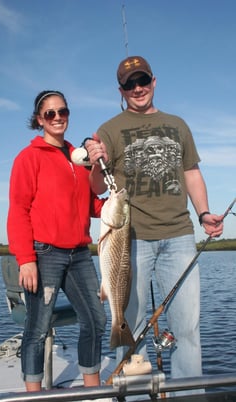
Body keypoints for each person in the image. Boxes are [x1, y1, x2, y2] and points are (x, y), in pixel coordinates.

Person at [84, 56, 224, 391]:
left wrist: (204, 213)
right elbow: (98, 187)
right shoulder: (109, 129)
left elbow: (191, 172)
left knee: (187, 329)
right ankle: (131, 395)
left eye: (142, 80)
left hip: (179, 236)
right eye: (130, 84)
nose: (138, 88)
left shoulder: (178, 124)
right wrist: (94, 161)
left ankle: (190, 395)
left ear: (154, 82)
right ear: (121, 90)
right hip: (130, 241)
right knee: (127, 324)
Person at [7, 90, 109, 396]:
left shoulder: (80, 159)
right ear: (39, 120)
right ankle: (33, 394)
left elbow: (93, 206)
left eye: (62, 111)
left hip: (79, 255)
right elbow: (18, 210)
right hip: (44, 254)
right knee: (37, 329)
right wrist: (25, 258)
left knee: (96, 319)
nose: (57, 118)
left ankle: (93, 390)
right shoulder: (29, 158)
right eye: (49, 114)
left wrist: (119, 204)